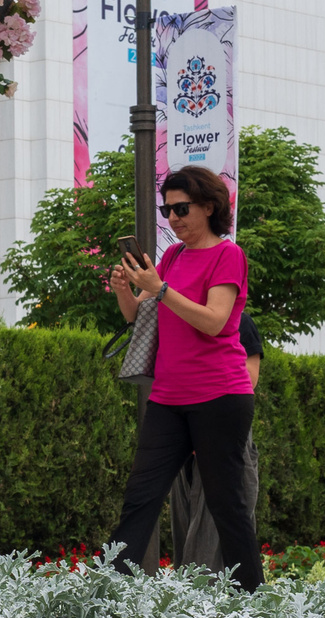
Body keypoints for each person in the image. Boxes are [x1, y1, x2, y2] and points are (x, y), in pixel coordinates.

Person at [107, 165, 262, 590]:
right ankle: (108, 592)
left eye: (181, 208)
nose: (172, 218)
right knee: (140, 497)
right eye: (167, 209)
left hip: (220, 396)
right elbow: (140, 318)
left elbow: (215, 322)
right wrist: (126, 288)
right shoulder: (172, 257)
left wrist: (160, 289)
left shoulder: (228, 255)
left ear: (209, 207)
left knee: (227, 504)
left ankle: (251, 599)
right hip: (169, 397)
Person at [171, 308, 264, 571]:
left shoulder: (240, 322)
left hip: (224, 432)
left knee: (219, 534)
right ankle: (189, 601)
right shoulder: (182, 323)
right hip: (186, 434)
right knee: (186, 530)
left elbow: (249, 378)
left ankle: (213, 604)